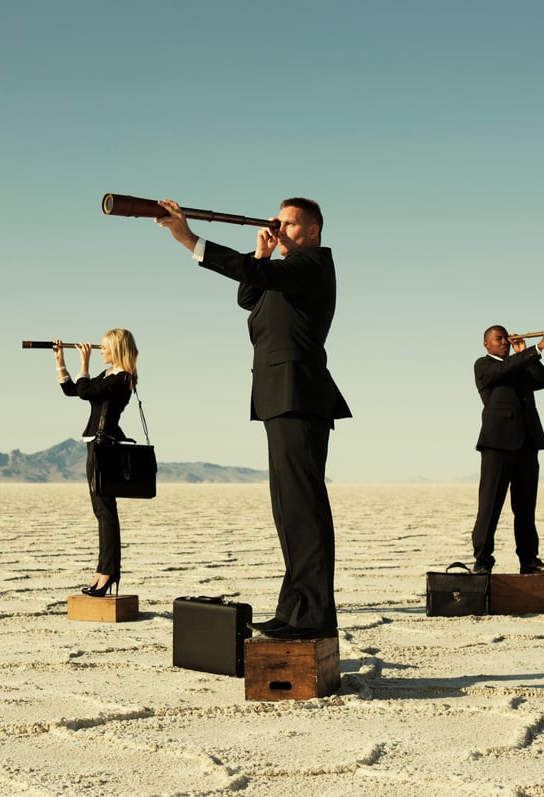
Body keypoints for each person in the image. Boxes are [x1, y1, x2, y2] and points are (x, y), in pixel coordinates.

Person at [156, 197, 350, 640]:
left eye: (289, 225)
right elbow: (249, 295)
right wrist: (260, 253)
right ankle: (295, 608)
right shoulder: (280, 273)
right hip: (278, 397)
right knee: (289, 509)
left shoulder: (313, 264)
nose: (279, 229)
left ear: (314, 231)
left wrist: (188, 238)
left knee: (304, 508)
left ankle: (314, 616)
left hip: (299, 395)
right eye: (276, 223)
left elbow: (256, 278)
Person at [470, 324, 544, 575]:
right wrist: (537, 348)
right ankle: (482, 561)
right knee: (490, 507)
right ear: (486, 344)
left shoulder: (519, 365)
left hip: (527, 445)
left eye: (505, 339)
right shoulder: (484, 365)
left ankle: (529, 560)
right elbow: (502, 370)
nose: (503, 342)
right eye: (498, 339)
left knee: (525, 509)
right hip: (497, 445)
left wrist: (528, 354)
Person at [53, 329, 138, 597]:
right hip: (96, 443)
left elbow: (85, 392)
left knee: (105, 510)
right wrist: (60, 361)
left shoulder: (122, 378)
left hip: (105, 446)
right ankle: (104, 571)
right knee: (101, 511)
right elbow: (73, 391)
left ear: (117, 348)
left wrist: (85, 364)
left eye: (104, 347)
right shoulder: (110, 375)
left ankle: (108, 572)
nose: (100, 351)